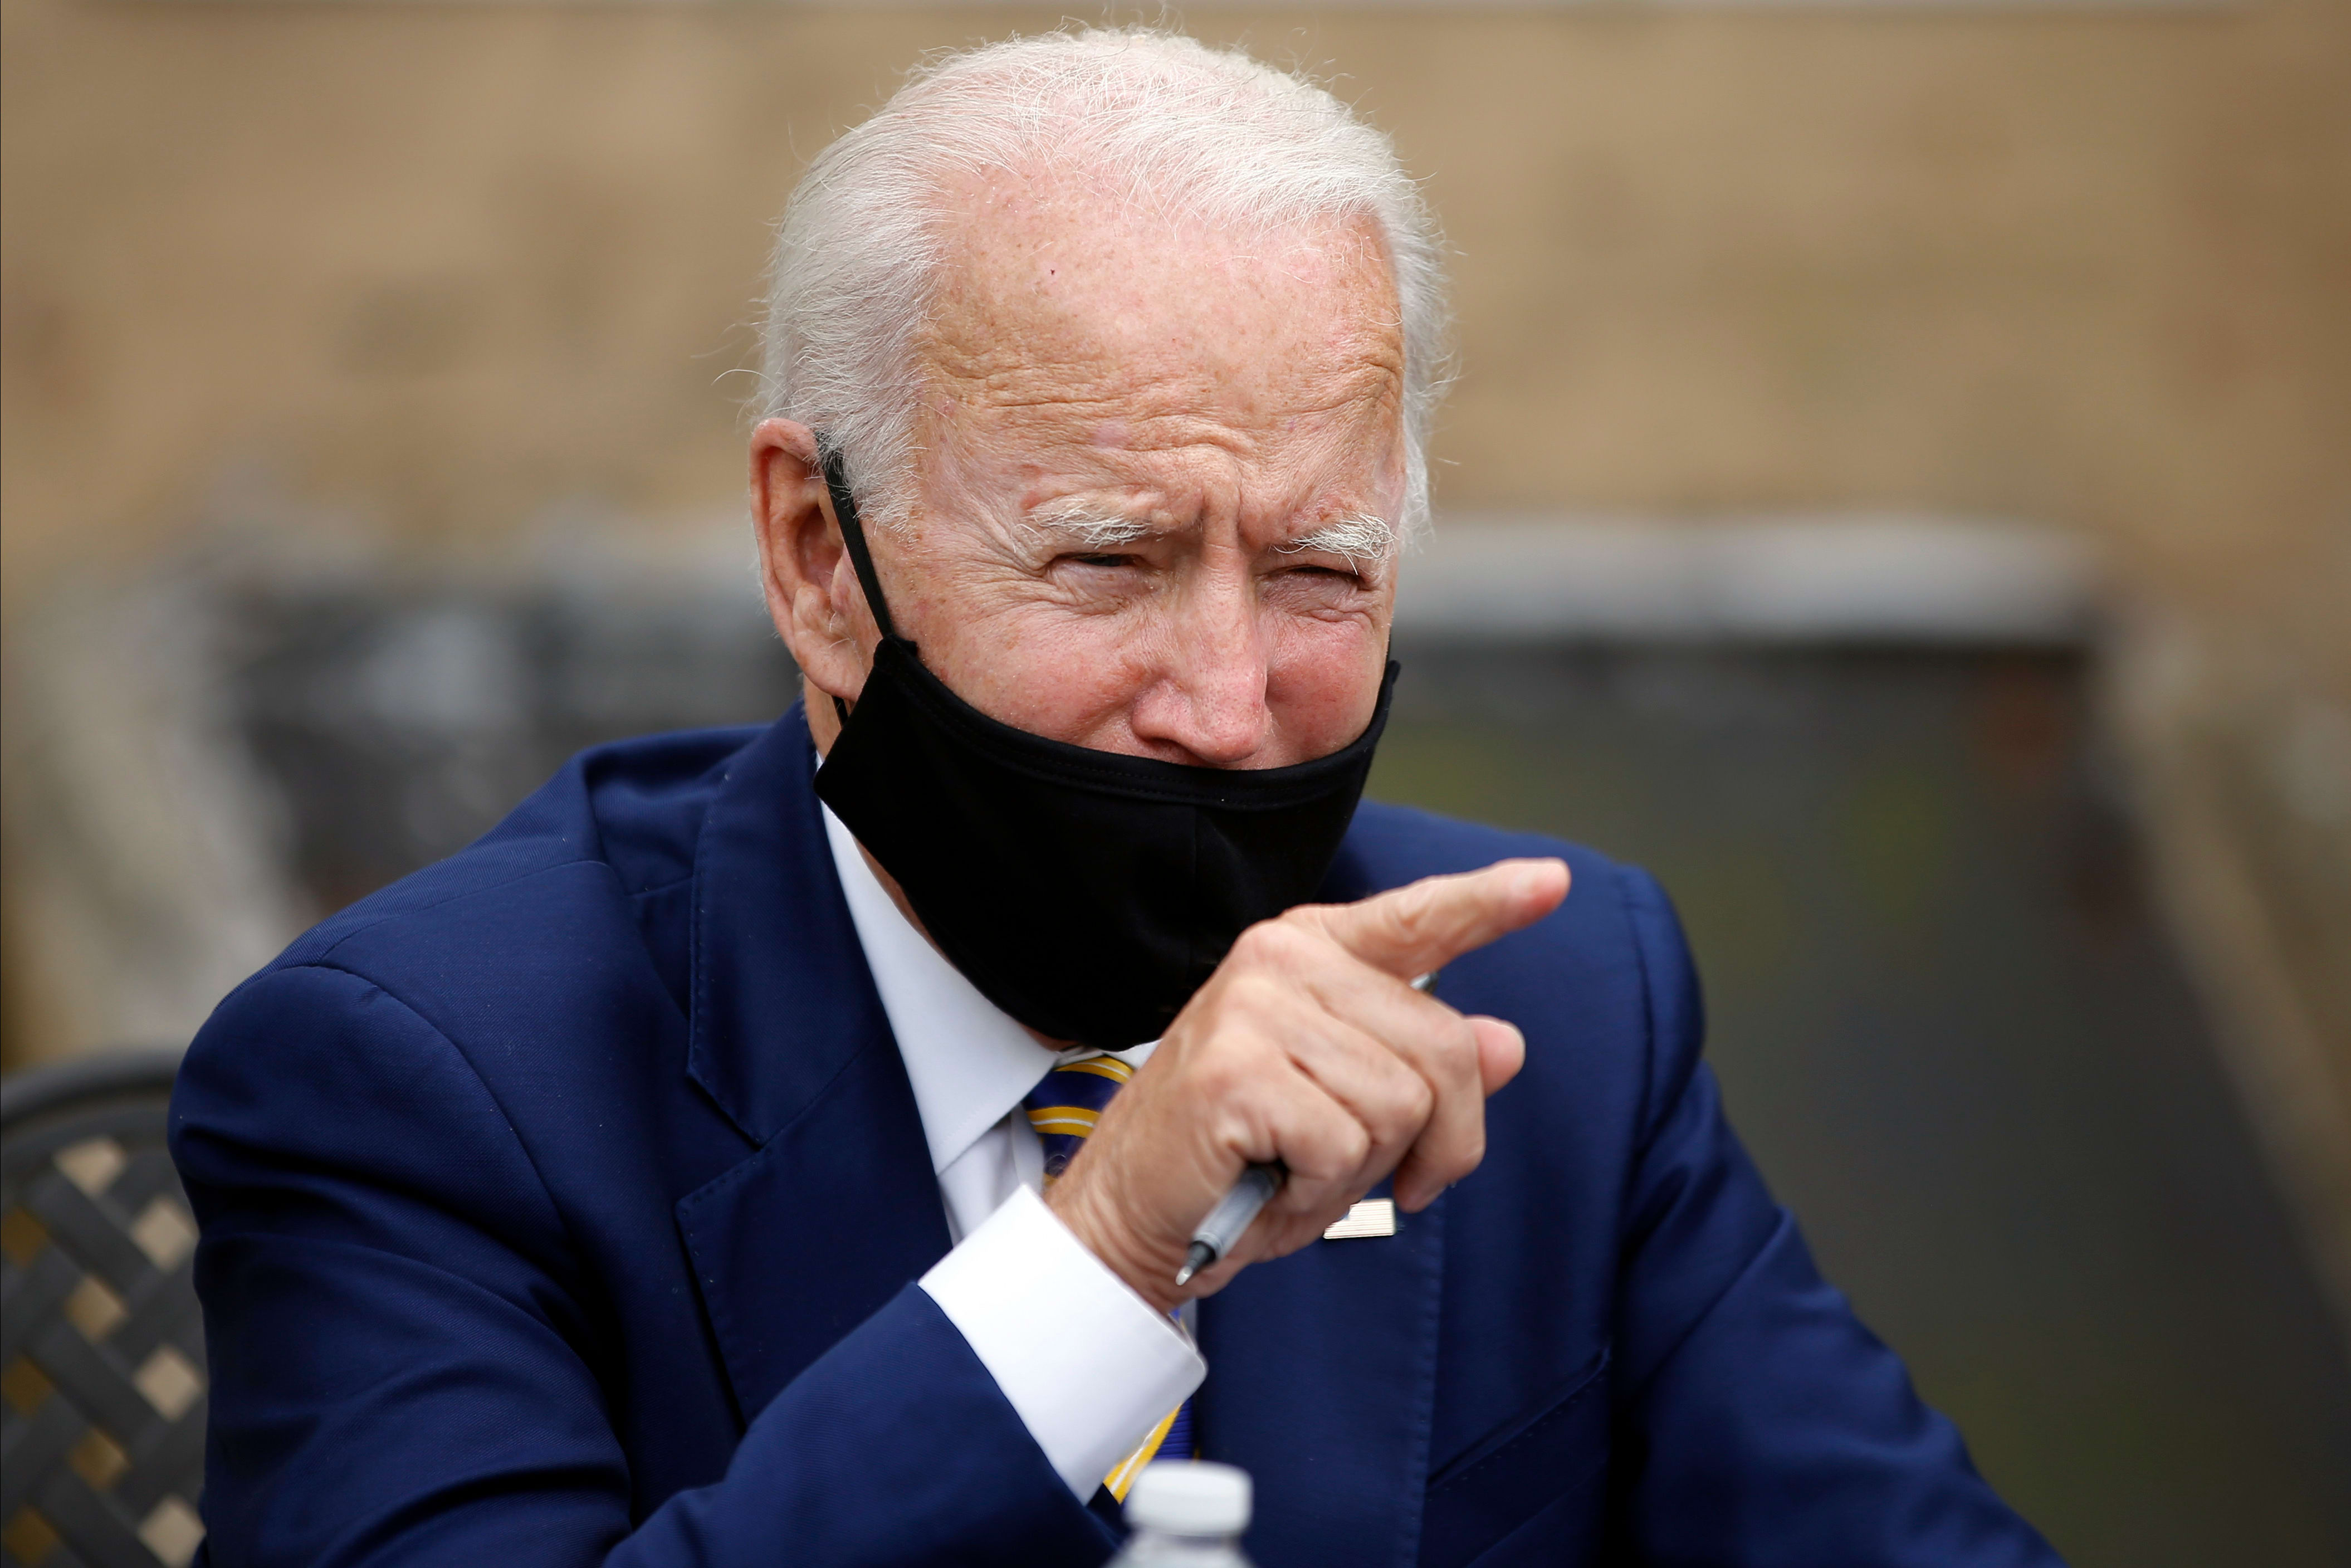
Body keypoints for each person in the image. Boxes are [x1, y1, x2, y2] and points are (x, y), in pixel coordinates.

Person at [171, 28, 2060, 1567]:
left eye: (1318, 573)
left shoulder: (1553, 1007)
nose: (1228, 710)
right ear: (820, 557)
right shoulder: (425, 1081)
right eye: (1107, 561)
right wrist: (1100, 1256)